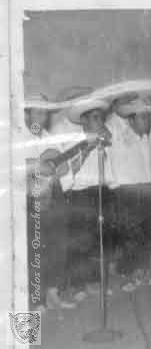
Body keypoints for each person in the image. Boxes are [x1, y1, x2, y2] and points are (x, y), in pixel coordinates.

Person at [21, 94, 75, 310]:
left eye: (44, 113)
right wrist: (37, 165)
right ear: (27, 114)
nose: (41, 117)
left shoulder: (50, 138)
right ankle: (35, 299)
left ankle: (53, 294)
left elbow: (62, 166)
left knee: (57, 245)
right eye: (37, 112)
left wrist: (64, 167)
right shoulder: (17, 137)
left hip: (54, 196)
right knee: (34, 248)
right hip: (30, 198)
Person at [62, 96, 119, 293]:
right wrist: (88, 147)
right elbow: (69, 170)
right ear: (84, 120)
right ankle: (79, 284)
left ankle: (97, 280)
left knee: (100, 237)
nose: (100, 122)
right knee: (82, 239)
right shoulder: (73, 140)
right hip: (81, 194)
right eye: (95, 118)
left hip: (101, 191)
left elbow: (110, 167)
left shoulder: (104, 139)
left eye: (101, 118)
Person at [110, 97, 151, 283]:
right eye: (142, 117)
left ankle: (142, 268)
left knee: (146, 230)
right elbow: (115, 166)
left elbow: (149, 167)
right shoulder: (120, 138)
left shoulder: (146, 138)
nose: (147, 121)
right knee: (131, 232)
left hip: (146, 188)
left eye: (148, 117)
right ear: (130, 120)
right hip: (128, 190)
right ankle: (129, 272)